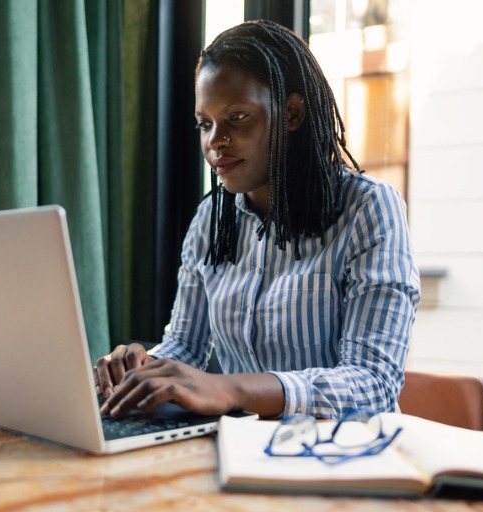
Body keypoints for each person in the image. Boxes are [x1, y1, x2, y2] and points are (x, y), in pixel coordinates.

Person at [96, 20, 420, 420]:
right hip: (241, 453)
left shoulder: (367, 209)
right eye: (205, 124)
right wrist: (142, 369)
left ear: (293, 114)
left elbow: (373, 385)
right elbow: (184, 345)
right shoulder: (210, 221)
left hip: (341, 459)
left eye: (237, 117)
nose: (215, 141)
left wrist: (227, 388)